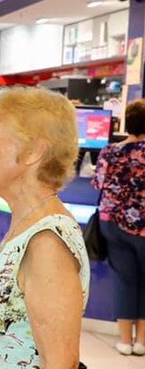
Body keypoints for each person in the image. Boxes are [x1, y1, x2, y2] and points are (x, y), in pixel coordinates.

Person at [0, 87, 90, 368]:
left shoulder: (46, 243)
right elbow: (18, 322)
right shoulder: (28, 224)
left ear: (34, 152)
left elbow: (60, 363)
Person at [91, 98, 145, 356]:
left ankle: (124, 341)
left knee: (125, 281)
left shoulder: (109, 151)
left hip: (112, 225)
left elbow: (97, 184)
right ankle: (142, 342)